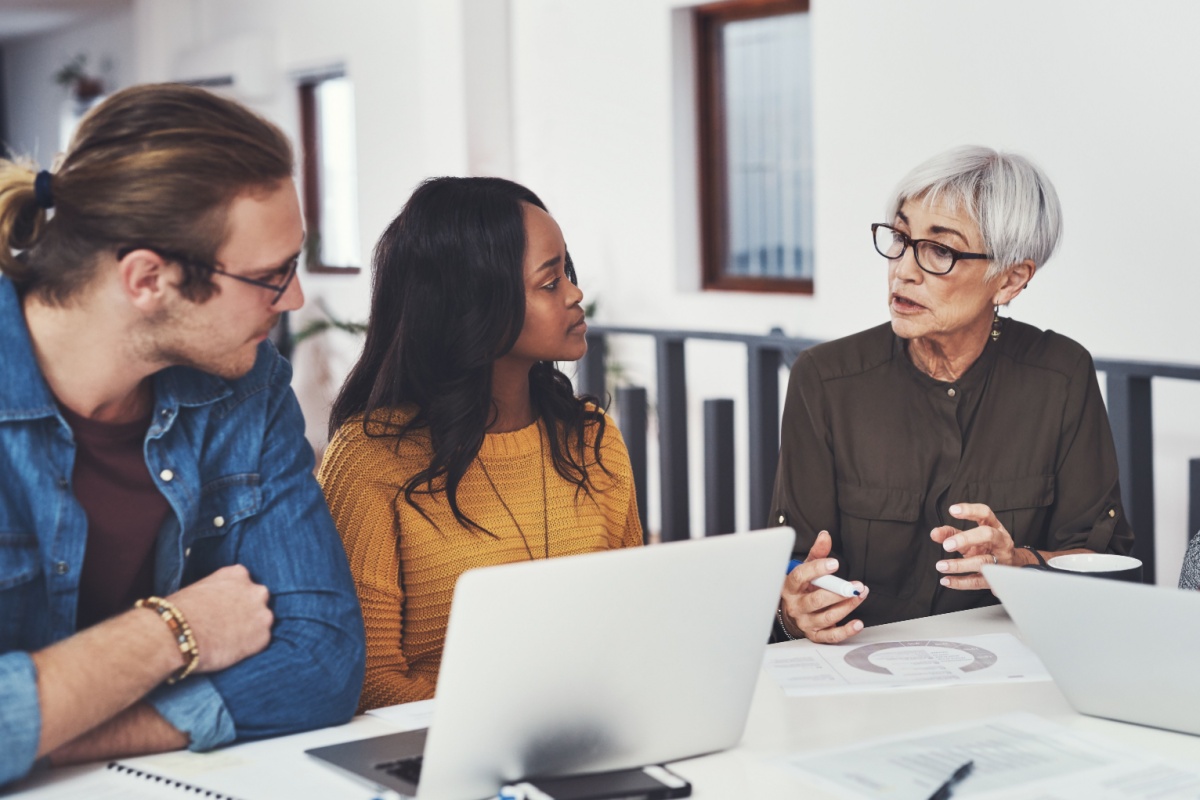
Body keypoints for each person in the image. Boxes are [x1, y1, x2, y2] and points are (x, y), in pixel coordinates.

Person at [0, 84, 365, 787]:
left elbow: (322, 658)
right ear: (148, 279)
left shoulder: (246, 389)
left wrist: (60, 731)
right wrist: (174, 630)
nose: (292, 299)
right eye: (269, 276)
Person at [773, 146, 1134, 643]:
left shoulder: (1061, 376)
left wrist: (1019, 564)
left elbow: (1105, 567)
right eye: (900, 238)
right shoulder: (825, 379)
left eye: (939, 251)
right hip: (858, 671)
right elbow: (793, 564)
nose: (903, 269)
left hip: (1011, 672)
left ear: (1010, 279)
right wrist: (795, 611)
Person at [320, 176, 643, 710]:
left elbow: (633, 620)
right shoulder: (369, 459)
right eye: (548, 282)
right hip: (439, 753)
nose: (575, 293)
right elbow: (369, 680)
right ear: (473, 302)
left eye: (568, 271)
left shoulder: (591, 437)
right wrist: (511, 718)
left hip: (592, 729)